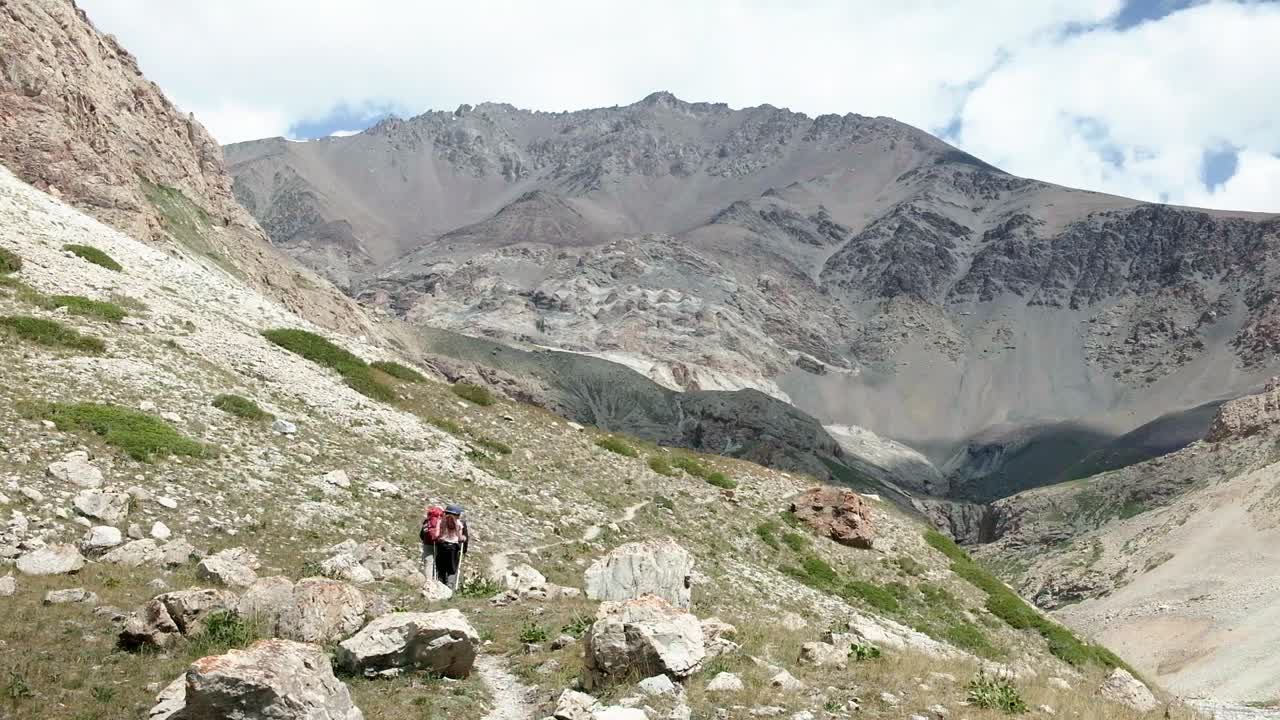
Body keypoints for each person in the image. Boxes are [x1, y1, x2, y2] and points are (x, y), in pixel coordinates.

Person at [433, 504, 470, 590]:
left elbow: (437, 535)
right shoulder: (458, 524)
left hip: (442, 546)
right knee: (452, 568)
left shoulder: (441, 522)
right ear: (457, 515)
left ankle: (440, 584)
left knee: (441, 567)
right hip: (453, 548)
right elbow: (460, 538)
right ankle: (449, 586)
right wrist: (464, 538)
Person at [419, 504, 444, 578]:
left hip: (427, 543)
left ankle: (428, 579)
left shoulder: (427, 520)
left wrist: (425, 540)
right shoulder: (441, 521)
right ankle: (434, 579)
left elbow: (421, 534)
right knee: (436, 563)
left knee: (428, 562)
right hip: (438, 544)